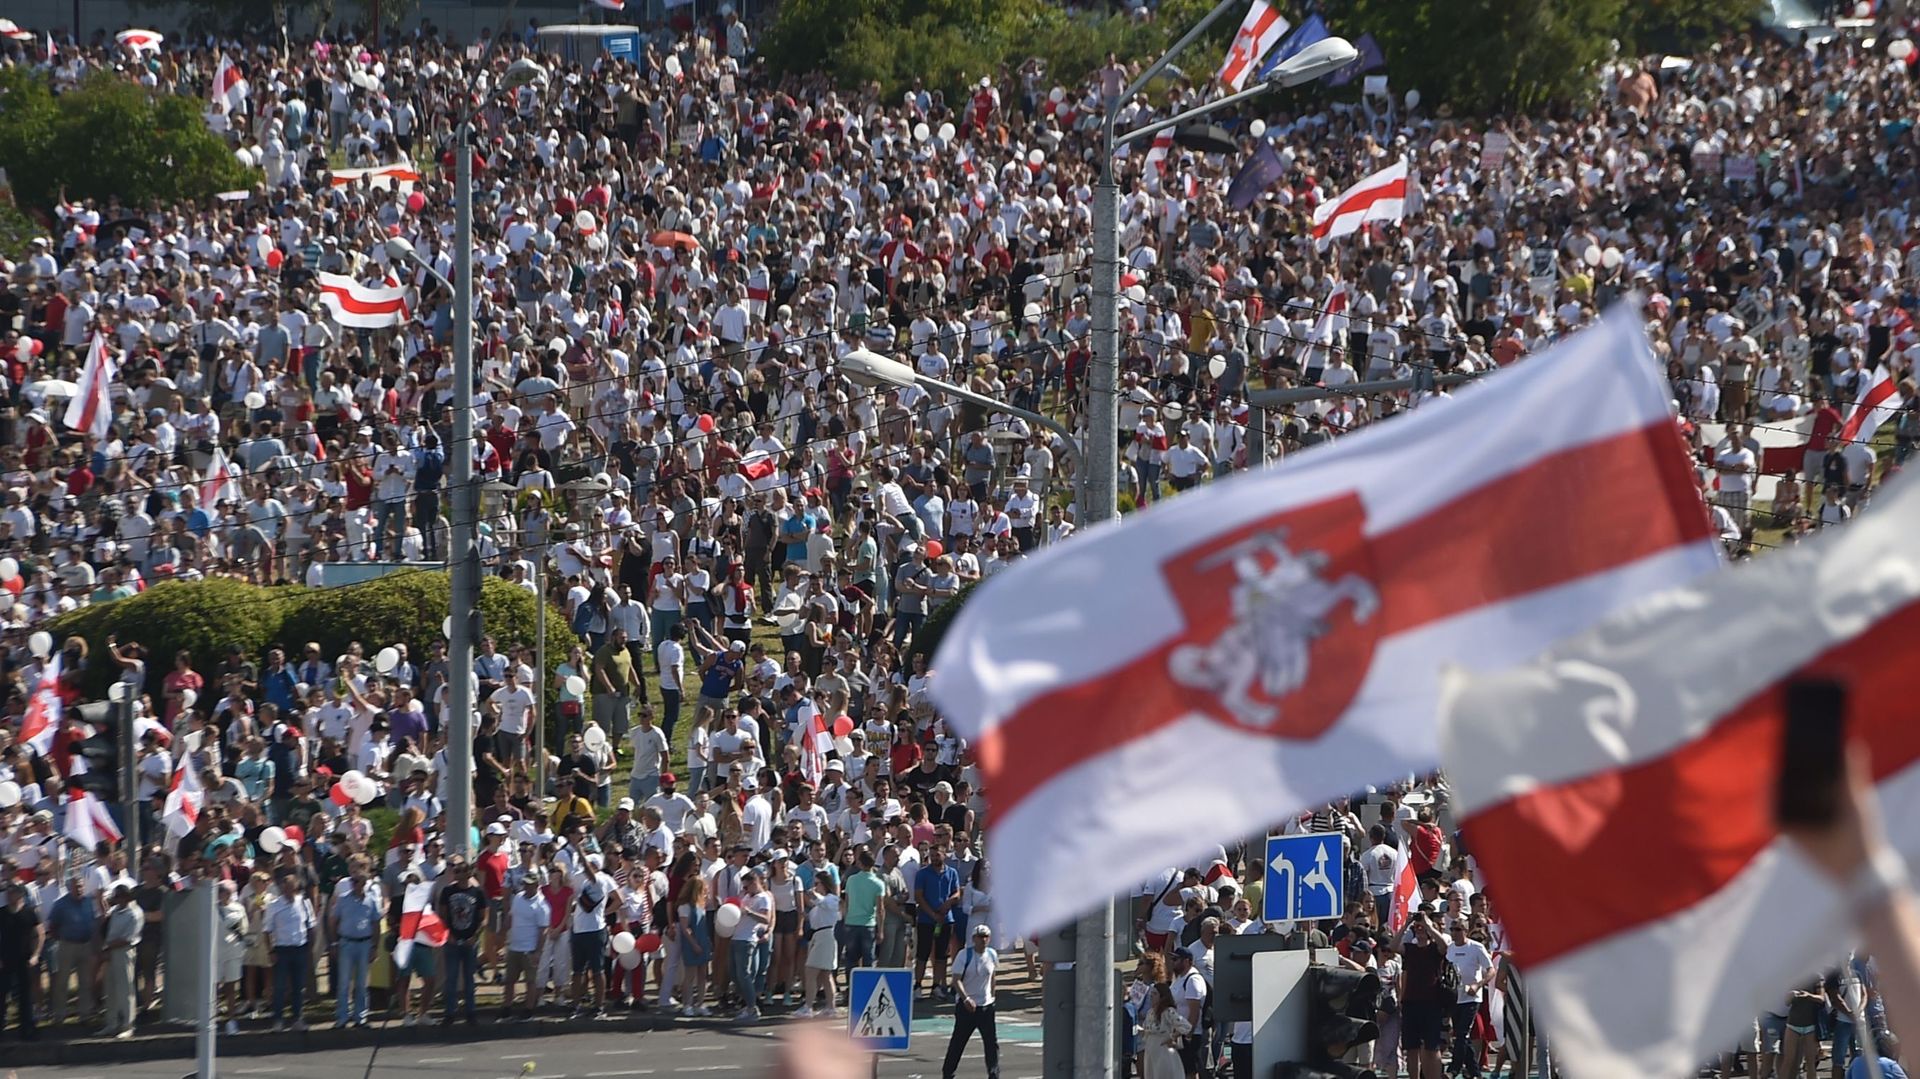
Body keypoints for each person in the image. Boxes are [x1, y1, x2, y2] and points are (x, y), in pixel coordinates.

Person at [942, 924, 1000, 1079]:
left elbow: (993, 976)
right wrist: (965, 998)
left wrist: (992, 997)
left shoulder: (992, 954)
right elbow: (956, 980)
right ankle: (948, 1073)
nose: (983, 940)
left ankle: (993, 1074)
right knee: (958, 1043)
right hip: (966, 1007)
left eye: (986, 936)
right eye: (980, 937)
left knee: (991, 1044)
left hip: (985, 1006)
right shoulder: (964, 955)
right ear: (974, 939)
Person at [264, 869, 316, 1032]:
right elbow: (267, 930)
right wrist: (271, 951)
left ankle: (297, 1018)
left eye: (292, 888)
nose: (289, 891)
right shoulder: (274, 905)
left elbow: (311, 926)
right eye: (285, 888)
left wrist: (310, 947)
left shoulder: (304, 903)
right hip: (282, 950)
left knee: (298, 986)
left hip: (300, 948)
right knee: (279, 987)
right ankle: (278, 1020)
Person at [503, 867, 551, 1020]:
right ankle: (507, 1007)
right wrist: (504, 933)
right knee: (509, 980)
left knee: (530, 981)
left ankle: (529, 1009)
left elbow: (543, 930)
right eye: (525, 884)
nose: (527, 887)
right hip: (514, 946)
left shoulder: (542, 905)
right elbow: (511, 916)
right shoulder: (517, 897)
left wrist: (538, 951)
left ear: (537, 885)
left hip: (529, 948)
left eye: (530, 884)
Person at [100, 885, 142, 1039]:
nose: (116, 900)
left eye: (118, 897)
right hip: (111, 951)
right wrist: (107, 948)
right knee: (110, 988)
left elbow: (128, 938)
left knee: (126, 989)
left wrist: (108, 946)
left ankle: (128, 1025)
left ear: (126, 897)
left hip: (125, 951)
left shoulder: (135, 913)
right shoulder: (116, 911)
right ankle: (111, 1024)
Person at [0, 883, 41, 1039]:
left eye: (12, 892)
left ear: (20, 894)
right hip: (5, 960)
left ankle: (26, 1029)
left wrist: (36, 955)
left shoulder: (29, 912)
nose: (8, 895)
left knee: (25, 995)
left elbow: (40, 934)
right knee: (2, 994)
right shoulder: (2, 913)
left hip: (24, 960)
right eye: (7, 892)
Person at [1138, 981, 1193, 1079]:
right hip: (1150, 1049)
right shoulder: (1150, 1012)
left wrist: (1173, 1037)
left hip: (1163, 1050)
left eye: (1155, 994)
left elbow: (1186, 1026)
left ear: (1162, 996)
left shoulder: (1168, 1011)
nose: (1151, 996)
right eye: (1151, 994)